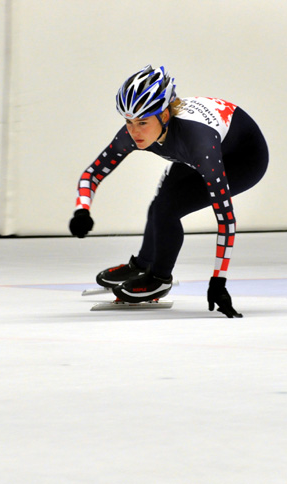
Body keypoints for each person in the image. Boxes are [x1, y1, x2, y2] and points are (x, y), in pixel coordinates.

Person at [68, 65, 268, 317]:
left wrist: (219, 280)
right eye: (128, 122)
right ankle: (143, 265)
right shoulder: (136, 133)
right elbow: (92, 173)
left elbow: (226, 218)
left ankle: (159, 278)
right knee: (159, 204)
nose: (134, 132)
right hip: (199, 149)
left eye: (142, 122)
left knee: (168, 208)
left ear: (164, 116)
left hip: (244, 159)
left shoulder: (199, 144)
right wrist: (81, 211)